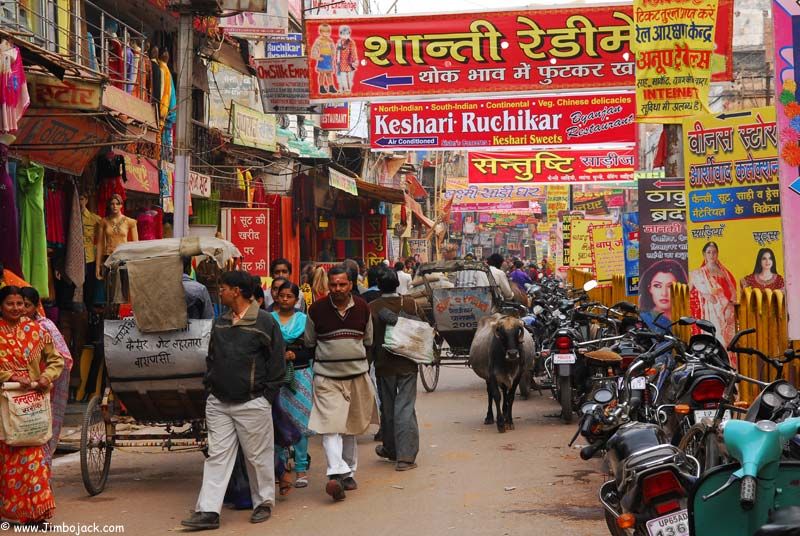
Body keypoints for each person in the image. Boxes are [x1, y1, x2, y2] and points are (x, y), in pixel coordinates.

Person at [182, 271, 286, 530]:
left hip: (253, 401)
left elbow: (277, 363)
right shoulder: (220, 323)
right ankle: (208, 511)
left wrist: (266, 397)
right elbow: (211, 359)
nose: (220, 292)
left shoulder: (265, 322)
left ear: (237, 291)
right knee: (217, 456)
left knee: (257, 457)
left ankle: (263, 503)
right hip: (219, 402)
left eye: (224, 288)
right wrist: (210, 388)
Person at [304, 266, 377, 502]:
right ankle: (336, 472)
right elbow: (310, 341)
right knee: (329, 426)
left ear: (351, 285)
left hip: (356, 376)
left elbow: (368, 340)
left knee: (350, 427)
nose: (337, 289)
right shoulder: (315, 310)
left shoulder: (363, 308)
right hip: (326, 377)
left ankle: (348, 474)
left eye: (342, 284)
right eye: (333, 285)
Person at [0, 286, 64, 525]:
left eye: (20, 303)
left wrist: (46, 377)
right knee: (5, 460)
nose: (16, 308)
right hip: (3, 404)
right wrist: (12, 377)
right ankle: (8, 513)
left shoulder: (36, 330)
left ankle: (37, 515)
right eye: (10, 303)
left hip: (31, 407)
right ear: (1, 306)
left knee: (34, 458)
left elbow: (56, 360)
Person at [369, 269, 421, 472]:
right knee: (406, 408)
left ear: (378, 285)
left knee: (388, 409)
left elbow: (369, 340)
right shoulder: (410, 303)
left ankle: (391, 449)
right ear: (397, 284)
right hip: (408, 363)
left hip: (384, 366)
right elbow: (423, 326)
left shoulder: (372, 307)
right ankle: (405, 457)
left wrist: (368, 363)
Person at [18, 287, 74, 466]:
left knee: (38, 432)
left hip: (40, 388)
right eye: (16, 304)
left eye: (25, 305)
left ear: (36, 307)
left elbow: (61, 359)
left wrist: (45, 378)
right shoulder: (6, 329)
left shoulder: (44, 327)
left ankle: (41, 473)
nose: (21, 309)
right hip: (14, 389)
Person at [272, 282, 315, 490]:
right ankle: (280, 470)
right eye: (282, 296)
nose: (285, 299)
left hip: (301, 375)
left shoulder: (304, 321)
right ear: (276, 298)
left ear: (296, 299)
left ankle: (301, 468)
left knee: (300, 424)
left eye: (289, 296)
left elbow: (312, 348)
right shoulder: (269, 321)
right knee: (277, 422)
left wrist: (294, 354)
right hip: (276, 377)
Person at [689, 241, 737, 351]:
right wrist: (703, 293)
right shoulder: (698, 274)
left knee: (727, 341)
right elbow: (689, 293)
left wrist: (729, 306)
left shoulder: (724, 273)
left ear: (717, 254)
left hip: (726, 312)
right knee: (714, 338)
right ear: (704, 254)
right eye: (709, 252)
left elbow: (732, 292)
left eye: (714, 252)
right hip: (709, 312)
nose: (712, 255)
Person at [639, 260, 688, 333]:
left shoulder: (688, 319)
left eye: (670, 286)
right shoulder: (643, 320)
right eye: (657, 286)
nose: (664, 293)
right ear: (650, 289)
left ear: (680, 289)